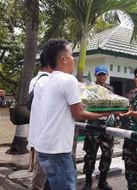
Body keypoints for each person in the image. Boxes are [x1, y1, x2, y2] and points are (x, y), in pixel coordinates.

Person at [34, 39, 110, 190]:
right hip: (58, 150)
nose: (73, 59)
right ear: (63, 59)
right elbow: (79, 113)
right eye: (70, 55)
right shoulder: (68, 80)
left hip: (43, 148)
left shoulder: (45, 80)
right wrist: (102, 115)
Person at [82, 65, 115, 190]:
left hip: (107, 126)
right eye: (99, 74)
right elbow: (85, 104)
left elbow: (113, 104)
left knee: (107, 154)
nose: (101, 77)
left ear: (107, 75)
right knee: (90, 154)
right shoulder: (90, 88)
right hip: (93, 126)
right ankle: (88, 181)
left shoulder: (110, 89)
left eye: (104, 74)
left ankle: (103, 181)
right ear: (95, 75)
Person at [28, 50, 53, 190]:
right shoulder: (45, 81)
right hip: (44, 138)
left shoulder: (35, 80)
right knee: (42, 178)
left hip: (38, 135)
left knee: (42, 176)